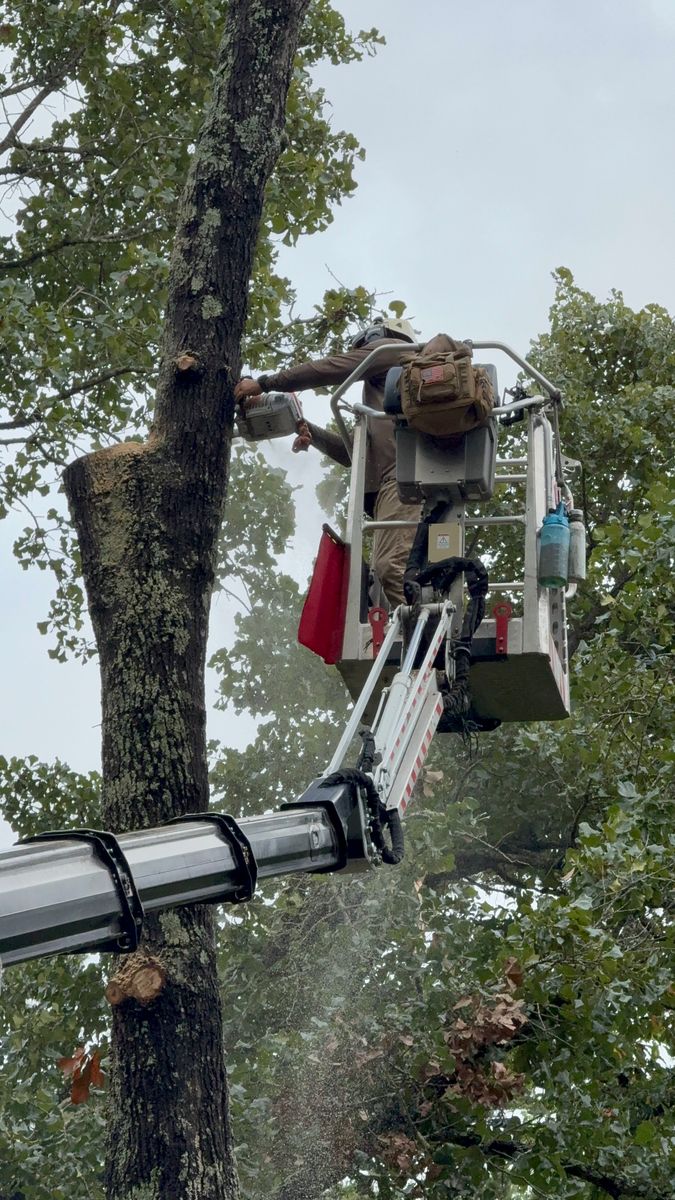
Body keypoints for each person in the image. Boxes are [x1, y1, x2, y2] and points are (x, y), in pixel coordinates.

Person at [234, 320, 452, 607]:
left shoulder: (392, 349)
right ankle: (409, 635)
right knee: (385, 580)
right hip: (397, 487)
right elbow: (354, 455)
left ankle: (420, 644)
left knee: (391, 570)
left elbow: (333, 368)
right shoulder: (389, 403)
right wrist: (308, 429)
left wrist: (264, 383)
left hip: (404, 483)